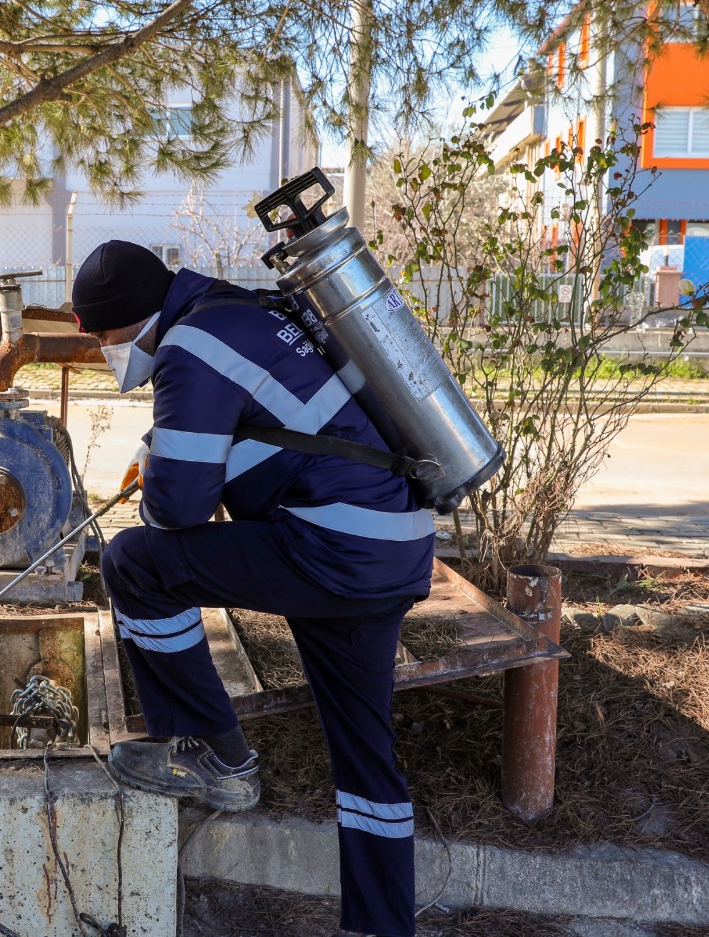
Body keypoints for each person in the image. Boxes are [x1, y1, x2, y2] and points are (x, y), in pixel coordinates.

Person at [72, 240, 435, 937]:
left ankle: (213, 754)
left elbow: (177, 511)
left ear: (129, 320)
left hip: (331, 547)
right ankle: (381, 928)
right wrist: (167, 453)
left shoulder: (191, 346)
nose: (106, 353)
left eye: (106, 339)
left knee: (135, 564)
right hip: (388, 547)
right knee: (366, 758)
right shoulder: (240, 310)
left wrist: (157, 479)